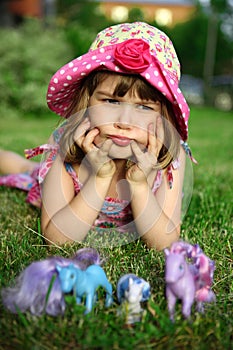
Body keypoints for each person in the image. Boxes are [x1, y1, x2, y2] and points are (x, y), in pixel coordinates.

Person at [0, 22, 196, 250]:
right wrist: (100, 178)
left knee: (25, 169)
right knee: (25, 169)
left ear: (164, 117)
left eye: (144, 107)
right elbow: (56, 241)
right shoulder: (66, 145)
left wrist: (139, 184)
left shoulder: (171, 157)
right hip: (65, 189)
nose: (124, 122)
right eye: (111, 101)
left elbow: (164, 243)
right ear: (87, 102)